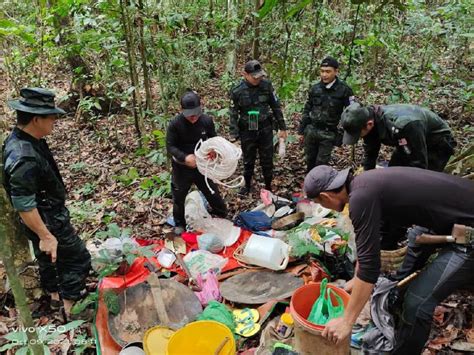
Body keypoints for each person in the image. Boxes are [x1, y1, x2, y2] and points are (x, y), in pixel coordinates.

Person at [303, 165, 474, 354]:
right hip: (450, 220)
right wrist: (357, 277)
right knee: (415, 240)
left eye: (320, 203)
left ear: (325, 197)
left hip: (468, 235)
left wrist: (346, 321)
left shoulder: (361, 198)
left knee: (417, 304)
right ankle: (396, 300)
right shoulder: (366, 183)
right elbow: (373, 242)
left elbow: (370, 270)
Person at [2, 88, 91, 319]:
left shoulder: (27, 139)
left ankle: (53, 297)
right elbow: (24, 204)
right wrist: (46, 235)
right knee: (76, 258)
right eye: (51, 117)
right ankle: (73, 309)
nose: (55, 121)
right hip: (46, 219)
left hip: (43, 216)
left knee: (48, 258)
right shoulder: (24, 156)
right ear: (35, 119)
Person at [167, 90, 227, 235]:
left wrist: (213, 150)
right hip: (182, 168)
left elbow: (214, 140)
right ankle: (180, 223)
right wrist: (185, 157)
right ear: (181, 110)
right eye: (189, 114)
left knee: (212, 192)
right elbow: (170, 147)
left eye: (196, 113)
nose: (193, 117)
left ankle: (221, 213)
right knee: (179, 197)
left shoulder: (206, 121)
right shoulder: (175, 124)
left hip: (202, 166)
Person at [341, 102, 456, 171]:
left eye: (358, 134)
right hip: (406, 141)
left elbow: (419, 165)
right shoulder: (369, 119)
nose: (359, 137)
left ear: (369, 124)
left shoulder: (404, 125)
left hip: (436, 143)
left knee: (424, 182)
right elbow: (370, 153)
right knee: (393, 172)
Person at [229, 60, 287, 194]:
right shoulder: (237, 91)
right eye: (255, 77)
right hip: (247, 130)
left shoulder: (267, 86)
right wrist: (234, 135)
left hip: (265, 128)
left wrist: (282, 127)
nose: (258, 79)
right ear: (245, 74)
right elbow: (233, 113)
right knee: (248, 160)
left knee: (267, 160)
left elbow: (275, 106)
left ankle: (268, 186)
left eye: (260, 76)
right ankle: (247, 186)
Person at [298, 56, 354, 172]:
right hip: (311, 131)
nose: (324, 75)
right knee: (310, 161)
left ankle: (319, 187)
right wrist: (301, 130)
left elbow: (352, 112)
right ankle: (310, 185)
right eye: (322, 71)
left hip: (328, 133)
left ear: (336, 71)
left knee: (321, 164)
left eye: (328, 71)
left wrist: (343, 134)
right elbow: (307, 108)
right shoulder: (315, 88)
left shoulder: (344, 90)